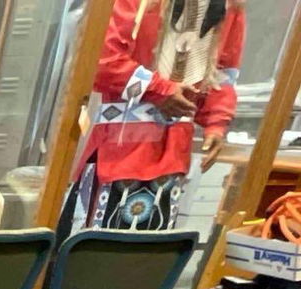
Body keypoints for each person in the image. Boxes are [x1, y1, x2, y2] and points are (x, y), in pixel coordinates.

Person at [66, 0, 245, 231]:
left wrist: (217, 122)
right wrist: (158, 89)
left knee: (153, 245)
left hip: (173, 152)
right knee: (97, 241)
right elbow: (101, 62)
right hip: (120, 147)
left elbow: (224, 74)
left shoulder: (229, 8)